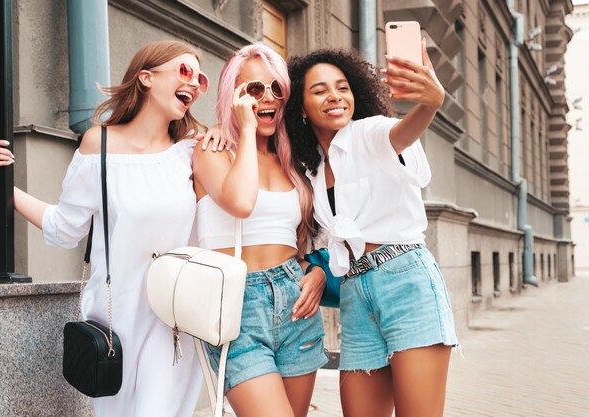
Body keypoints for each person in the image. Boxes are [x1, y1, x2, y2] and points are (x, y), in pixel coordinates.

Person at [0, 40, 207, 417]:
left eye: (200, 78)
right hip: (114, 323)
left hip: (173, 323)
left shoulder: (194, 151)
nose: (194, 84)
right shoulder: (98, 144)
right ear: (146, 78)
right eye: (184, 71)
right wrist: (2, 189)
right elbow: (64, 228)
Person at [284, 42, 458, 417]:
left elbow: (402, 134)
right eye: (320, 90)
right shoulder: (310, 170)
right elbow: (327, 242)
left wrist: (429, 103)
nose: (335, 96)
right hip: (354, 297)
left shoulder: (370, 133)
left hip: (405, 283)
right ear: (300, 108)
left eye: (342, 87)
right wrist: (316, 268)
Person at [192, 43, 328, 417]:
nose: (267, 97)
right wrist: (245, 130)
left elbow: (305, 240)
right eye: (253, 89)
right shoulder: (213, 149)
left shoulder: (293, 163)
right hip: (239, 306)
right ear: (233, 96)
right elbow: (240, 202)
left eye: (276, 89)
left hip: (296, 303)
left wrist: (317, 271)